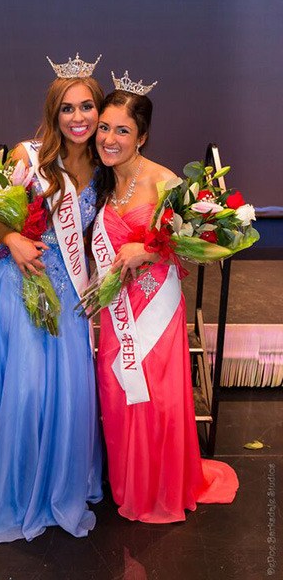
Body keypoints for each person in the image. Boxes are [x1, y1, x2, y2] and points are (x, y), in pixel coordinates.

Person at [0, 54, 104, 544]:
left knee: (67, 392)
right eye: (67, 108)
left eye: (87, 107)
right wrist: (12, 239)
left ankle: (60, 480)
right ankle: (20, 486)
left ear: (99, 110)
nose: (78, 118)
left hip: (68, 289)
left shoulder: (104, 165)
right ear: (53, 112)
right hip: (19, 280)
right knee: (26, 391)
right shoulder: (28, 156)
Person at [92, 73, 239, 523]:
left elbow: (188, 242)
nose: (110, 139)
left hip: (155, 305)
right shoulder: (101, 181)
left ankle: (159, 485)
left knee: (156, 395)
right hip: (118, 308)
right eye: (104, 127)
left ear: (142, 137)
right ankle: (128, 480)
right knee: (117, 390)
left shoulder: (165, 180)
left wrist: (146, 249)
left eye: (122, 130)